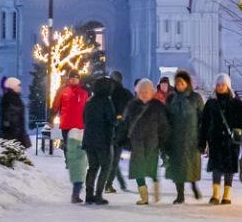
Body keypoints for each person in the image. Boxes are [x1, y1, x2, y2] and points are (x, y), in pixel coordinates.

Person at [200, 74, 242, 205]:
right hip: (215, 140)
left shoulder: (236, 103)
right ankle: (215, 194)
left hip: (231, 141)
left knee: (229, 167)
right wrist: (202, 141)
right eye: (218, 85)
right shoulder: (211, 103)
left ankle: (226, 194)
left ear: (228, 86)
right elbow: (204, 123)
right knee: (216, 166)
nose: (220, 87)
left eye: (223, 84)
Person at [121, 79, 169, 204]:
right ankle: (144, 196)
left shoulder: (157, 106)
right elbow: (125, 124)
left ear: (151, 92)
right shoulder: (132, 105)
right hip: (137, 143)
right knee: (138, 171)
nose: (143, 93)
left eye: (146, 91)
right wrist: (122, 139)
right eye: (141, 91)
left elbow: (164, 125)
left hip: (152, 143)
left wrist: (164, 141)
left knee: (152, 169)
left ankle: (156, 188)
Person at [163, 70, 204, 204]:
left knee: (191, 165)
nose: (179, 85)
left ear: (187, 83)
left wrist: (202, 136)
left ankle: (193, 186)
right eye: (177, 83)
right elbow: (166, 118)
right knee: (177, 167)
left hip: (192, 138)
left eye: (182, 83)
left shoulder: (195, 98)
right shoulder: (171, 98)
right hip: (176, 138)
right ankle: (180, 194)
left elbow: (202, 118)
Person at [81, 76, 119, 206]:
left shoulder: (89, 102)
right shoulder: (106, 102)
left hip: (89, 139)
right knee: (105, 167)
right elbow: (111, 120)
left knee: (92, 167)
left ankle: (89, 194)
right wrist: (118, 119)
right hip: (103, 140)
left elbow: (84, 119)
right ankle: (98, 194)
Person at [53, 73, 91, 203]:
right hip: (66, 124)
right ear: (69, 79)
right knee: (69, 147)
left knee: (79, 150)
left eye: (76, 78)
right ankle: (69, 161)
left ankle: (75, 163)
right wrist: (51, 118)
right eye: (72, 78)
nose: (74, 80)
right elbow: (56, 105)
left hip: (80, 125)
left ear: (79, 79)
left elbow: (87, 108)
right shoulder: (63, 91)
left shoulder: (83, 93)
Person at [0, 77, 29, 148]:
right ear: (12, 86)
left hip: (16, 131)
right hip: (12, 132)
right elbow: (6, 114)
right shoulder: (9, 98)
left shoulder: (15, 97)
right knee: (12, 152)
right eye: (18, 85)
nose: (20, 87)